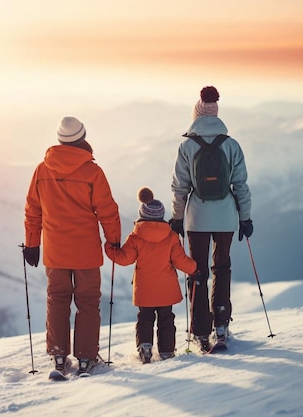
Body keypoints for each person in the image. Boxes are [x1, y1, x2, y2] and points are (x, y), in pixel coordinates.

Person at [23, 116, 121, 375]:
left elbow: (33, 211)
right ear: (83, 137)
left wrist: (32, 244)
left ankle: (58, 356)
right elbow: (108, 211)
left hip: (55, 252)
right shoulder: (92, 172)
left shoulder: (41, 171)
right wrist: (114, 241)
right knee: (88, 303)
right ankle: (86, 358)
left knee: (57, 300)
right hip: (86, 252)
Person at [169, 86, 253, 353]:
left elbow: (179, 187)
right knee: (222, 268)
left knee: (198, 272)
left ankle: (200, 331)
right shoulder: (231, 145)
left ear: (195, 116)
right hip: (227, 216)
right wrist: (245, 218)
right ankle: (221, 324)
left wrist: (176, 218)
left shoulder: (186, 146)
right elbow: (241, 185)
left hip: (197, 218)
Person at [105, 187, 197, 363]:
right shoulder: (171, 237)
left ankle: (145, 347)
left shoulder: (136, 237)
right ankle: (167, 351)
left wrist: (110, 249)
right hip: (166, 289)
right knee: (166, 319)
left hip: (145, 289)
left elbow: (125, 259)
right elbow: (180, 261)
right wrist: (194, 269)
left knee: (145, 318)